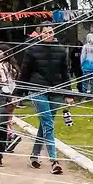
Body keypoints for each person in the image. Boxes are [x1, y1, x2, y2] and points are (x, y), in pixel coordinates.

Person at [19, 25, 69, 174]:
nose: (48, 34)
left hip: (56, 92)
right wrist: (18, 92)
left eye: (51, 32)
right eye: (45, 32)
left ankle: (34, 155)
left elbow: (65, 72)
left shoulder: (61, 50)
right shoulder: (32, 50)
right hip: (37, 90)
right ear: (40, 34)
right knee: (48, 123)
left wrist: (69, 94)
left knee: (45, 124)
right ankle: (54, 161)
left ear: (54, 33)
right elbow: (24, 72)